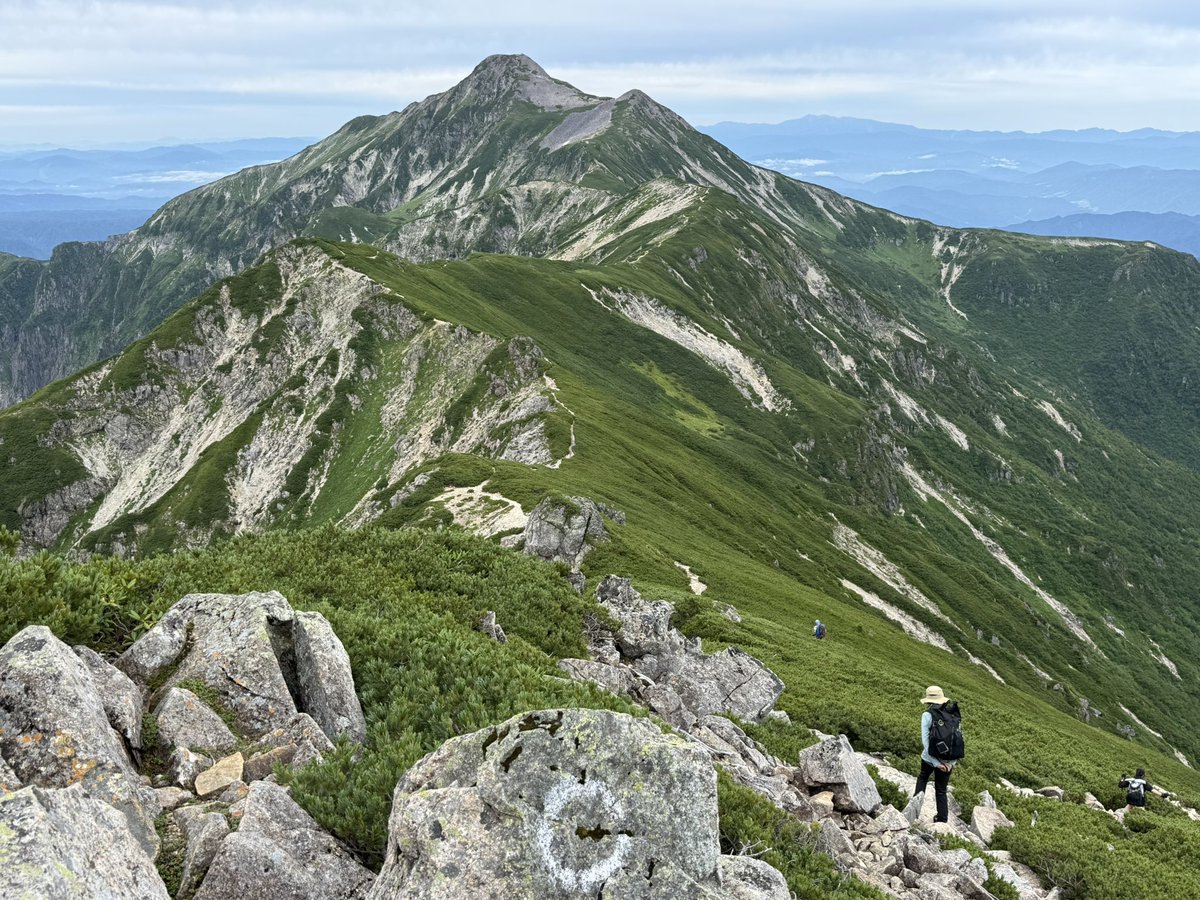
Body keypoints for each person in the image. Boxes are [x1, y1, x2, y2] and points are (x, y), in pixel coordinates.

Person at [913, 685, 960, 823]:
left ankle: (914, 811)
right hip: (947, 761)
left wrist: (935, 763)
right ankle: (942, 820)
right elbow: (957, 741)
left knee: (922, 778)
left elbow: (926, 741)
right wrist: (950, 764)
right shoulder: (953, 716)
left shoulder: (927, 715)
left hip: (928, 759)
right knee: (941, 790)